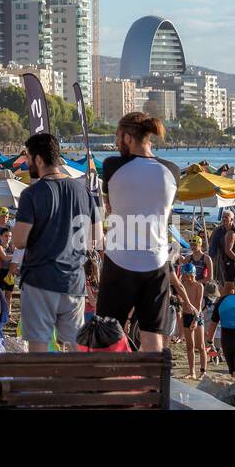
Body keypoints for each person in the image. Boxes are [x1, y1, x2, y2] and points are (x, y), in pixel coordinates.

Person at [97, 112, 189, 353]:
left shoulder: (112, 166)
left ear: (128, 137)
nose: (117, 144)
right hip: (156, 262)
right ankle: (150, 388)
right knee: (153, 337)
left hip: (120, 259)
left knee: (107, 332)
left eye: (118, 138)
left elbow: (110, 207)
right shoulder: (172, 171)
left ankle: (108, 386)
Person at [13, 131, 100, 352]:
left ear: (39, 159)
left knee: (39, 344)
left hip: (40, 279)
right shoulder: (83, 192)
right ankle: (72, 386)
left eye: (29, 158)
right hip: (74, 281)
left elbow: (19, 241)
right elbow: (97, 239)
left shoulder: (32, 194)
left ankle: (42, 386)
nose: (27, 163)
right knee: (73, 346)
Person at [177, 263, 207, 379]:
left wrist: (195, 320)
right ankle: (192, 372)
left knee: (201, 345)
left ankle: (203, 371)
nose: (186, 278)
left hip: (197, 316)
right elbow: (181, 302)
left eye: (188, 276)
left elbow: (199, 305)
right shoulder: (182, 285)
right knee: (190, 346)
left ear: (192, 275)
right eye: (185, 276)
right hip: (186, 316)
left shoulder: (199, 286)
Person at [208, 210, 235, 287]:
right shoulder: (218, 230)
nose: (223, 219)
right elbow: (211, 243)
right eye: (222, 217)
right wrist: (212, 258)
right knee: (220, 280)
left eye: (226, 217)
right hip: (220, 258)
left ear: (232, 219)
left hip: (234, 259)